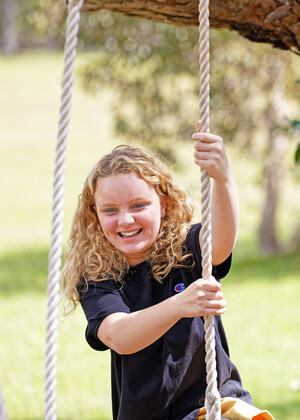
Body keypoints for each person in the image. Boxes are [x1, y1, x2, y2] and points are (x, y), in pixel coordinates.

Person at [62, 123, 253, 420]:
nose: (125, 220)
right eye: (110, 210)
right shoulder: (98, 277)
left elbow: (220, 243)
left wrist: (223, 178)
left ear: (162, 205)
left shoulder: (185, 249)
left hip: (214, 407)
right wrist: (180, 305)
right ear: (95, 215)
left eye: (139, 205)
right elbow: (119, 335)